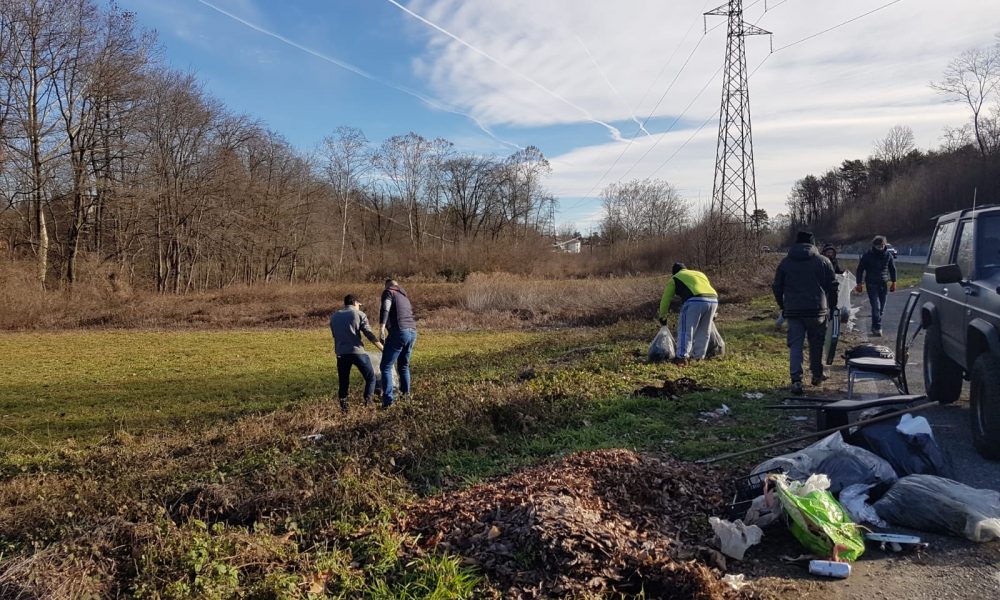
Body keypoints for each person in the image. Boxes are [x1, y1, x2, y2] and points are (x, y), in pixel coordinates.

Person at [773, 231, 839, 395]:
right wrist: (832, 306)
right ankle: (817, 375)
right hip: (817, 310)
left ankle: (796, 380)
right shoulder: (823, 261)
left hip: (793, 310)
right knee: (816, 343)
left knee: (796, 345)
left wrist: (783, 305)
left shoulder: (786, 262)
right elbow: (833, 286)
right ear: (813, 244)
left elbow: (777, 286)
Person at [330, 294, 383, 412]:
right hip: (357, 352)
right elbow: (369, 334)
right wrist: (381, 348)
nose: (359, 307)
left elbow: (335, 335)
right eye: (359, 305)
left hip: (341, 353)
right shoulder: (359, 314)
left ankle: (344, 408)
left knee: (343, 382)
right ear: (355, 303)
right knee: (371, 377)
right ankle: (368, 402)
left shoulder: (334, 316)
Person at [657, 262, 718, 365]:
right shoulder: (700, 274)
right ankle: (698, 357)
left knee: (686, 329)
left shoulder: (675, 278)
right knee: (704, 330)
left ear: (674, 273)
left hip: (694, 301)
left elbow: (665, 300)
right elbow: (706, 288)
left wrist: (663, 316)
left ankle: (681, 357)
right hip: (713, 300)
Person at [378, 278, 417, 408]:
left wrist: (381, 328)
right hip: (412, 332)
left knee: (386, 366)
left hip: (400, 332)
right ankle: (406, 398)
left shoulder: (389, 292)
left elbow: (385, 308)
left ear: (387, 286)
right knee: (403, 366)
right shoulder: (404, 296)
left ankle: (388, 402)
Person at [854, 235, 897, 337]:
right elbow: (860, 270)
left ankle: (874, 326)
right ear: (874, 246)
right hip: (871, 284)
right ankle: (877, 327)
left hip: (883, 283)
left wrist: (894, 282)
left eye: (882, 245)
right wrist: (859, 283)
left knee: (881, 308)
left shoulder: (888, 256)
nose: (880, 248)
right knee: (876, 307)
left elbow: (892, 269)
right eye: (878, 246)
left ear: (885, 245)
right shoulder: (867, 256)